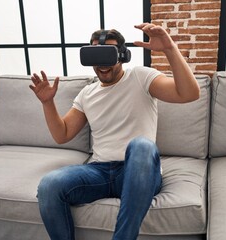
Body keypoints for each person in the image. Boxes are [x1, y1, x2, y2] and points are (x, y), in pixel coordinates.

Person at [30, 22, 200, 240]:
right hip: (99, 172)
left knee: (142, 145)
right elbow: (62, 135)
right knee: (49, 184)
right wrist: (47, 103)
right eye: (95, 55)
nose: (102, 64)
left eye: (108, 54)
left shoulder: (140, 77)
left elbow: (189, 94)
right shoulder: (86, 94)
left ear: (123, 55)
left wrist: (169, 48)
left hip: (138, 171)